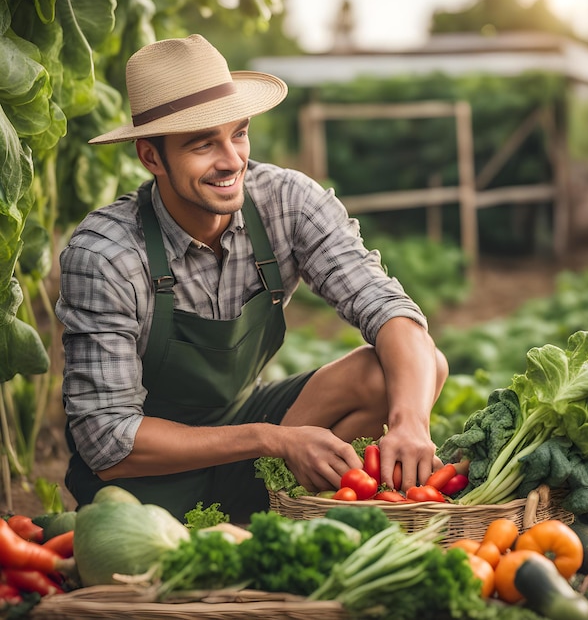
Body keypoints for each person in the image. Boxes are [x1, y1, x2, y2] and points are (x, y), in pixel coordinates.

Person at [55, 34, 449, 523]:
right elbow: (108, 444)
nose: (232, 160)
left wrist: (411, 423)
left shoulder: (285, 201)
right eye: (203, 144)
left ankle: (275, 508)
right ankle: (247, 516)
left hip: (242, 432)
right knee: (141, 513)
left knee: (405, 368)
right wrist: (273, 439)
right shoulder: (106, 255)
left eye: (238, 133)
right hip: (143, 482)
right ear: (151, 157)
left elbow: (388, 309)